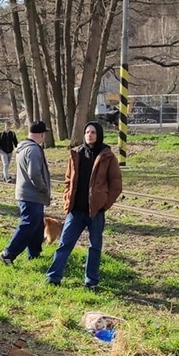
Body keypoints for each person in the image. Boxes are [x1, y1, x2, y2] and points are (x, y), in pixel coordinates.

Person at [46, 121, 122, 289]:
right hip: (76, 210)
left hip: (96, 211)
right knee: (65, 244)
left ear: (99, 134)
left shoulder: (107, 156)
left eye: (93, 132)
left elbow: (116, 185)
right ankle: (53, 277)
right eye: (87, 132)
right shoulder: (76, 154)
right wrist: (67, 199)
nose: (89, 135)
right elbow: (68, 180)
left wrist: (104, 204)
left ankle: (91, 282)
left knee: (94, 247)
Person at [0, 121, 52, 264]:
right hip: (32, 195)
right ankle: (8, 254)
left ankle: (34, 254)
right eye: (44, 134)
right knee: (28, 225)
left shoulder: (23, 147)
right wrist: (43, 188)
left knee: (37, 225)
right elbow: (34, 173)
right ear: (41, 134)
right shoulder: (34, 150)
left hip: (26, 193)